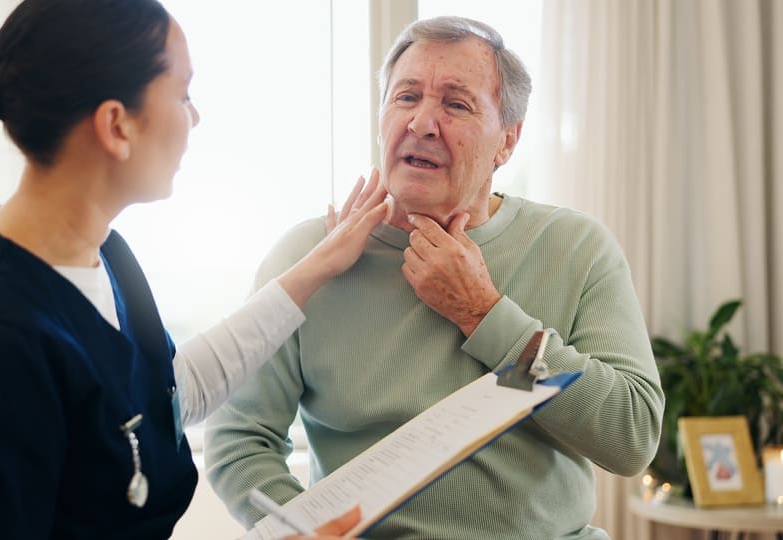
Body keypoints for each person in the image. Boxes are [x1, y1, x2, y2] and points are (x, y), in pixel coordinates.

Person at [0, 0, 388, 538]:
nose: (195, 117)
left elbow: (160, 397)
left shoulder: (105, 255)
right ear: (117, 125)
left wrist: (319, 266)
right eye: (183, 94)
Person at [203, 15, 665, 540]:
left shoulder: (576, 247)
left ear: (507, 142)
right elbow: (238, 439)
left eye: (456, 103)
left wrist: (485, 314)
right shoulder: (310, 257)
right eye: (405, 97)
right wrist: (308, 532)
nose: (422, 122)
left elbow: (632, 436)